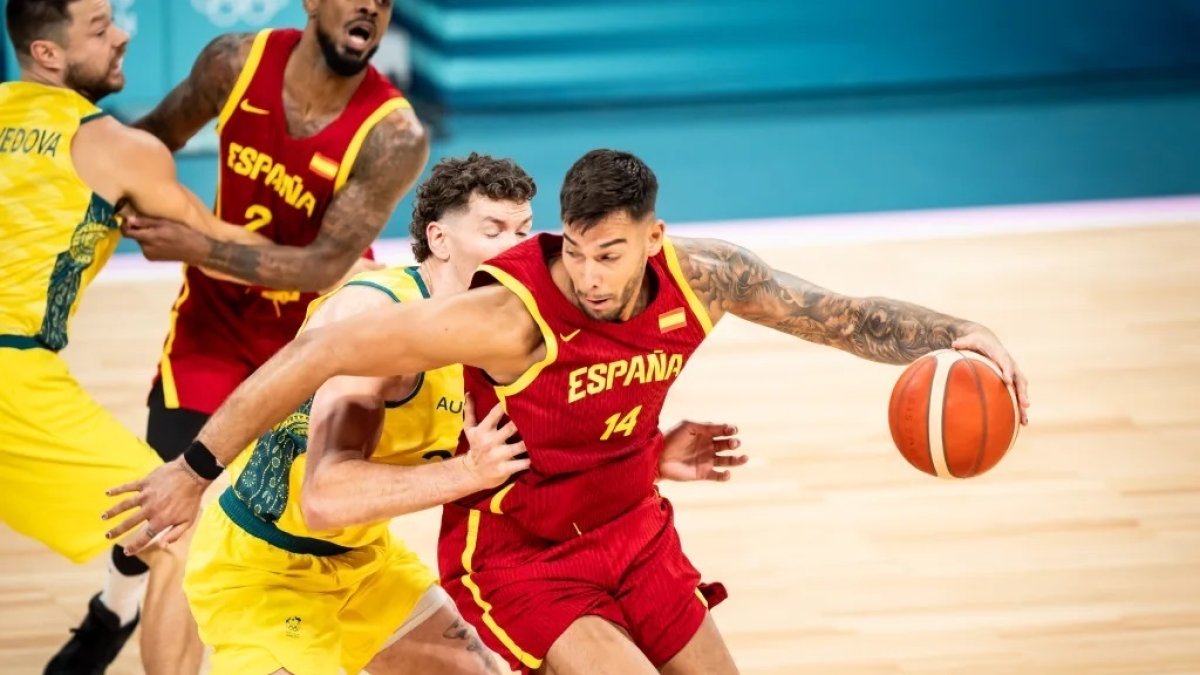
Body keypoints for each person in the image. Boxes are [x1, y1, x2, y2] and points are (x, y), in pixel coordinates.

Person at [107, 148, 1030, 674]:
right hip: (296, 559)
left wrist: (960, 331)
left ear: (652, 241)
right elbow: (322, 469)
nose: (580, 275)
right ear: (441, 236)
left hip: (525, 543)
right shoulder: (450, 317)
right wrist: (193, 468)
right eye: (564, 251)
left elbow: (833, 314)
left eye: (602, 254)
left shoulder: (697, 279)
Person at [127, 153, 745, 675]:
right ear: (441, 240)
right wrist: (464, 475)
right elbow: (325, 498)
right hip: (262, 573)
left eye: (524, 229)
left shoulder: (507, 331)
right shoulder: (375, 318)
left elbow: (548, 457)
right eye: (494, 229)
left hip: (367, 565)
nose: (518, 247)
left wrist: (649, 456)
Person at [56, 0, 430, 668]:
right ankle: (113, 607)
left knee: (264, 537)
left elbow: (323, 264)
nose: (371, 4)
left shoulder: (392, 134)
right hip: (214, 331)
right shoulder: (234, 62)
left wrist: (197, 244)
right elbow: (150, 141)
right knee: (170, 514)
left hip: (314, 347)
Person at [0, 0, 288, 672]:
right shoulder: (112, 146)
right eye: (99, 29)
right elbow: (229, 249)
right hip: (11, 380)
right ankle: (111, 619)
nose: (123, 34)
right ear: (49, 54)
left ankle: (107, 618)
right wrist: (339, 260)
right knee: (179, 524)